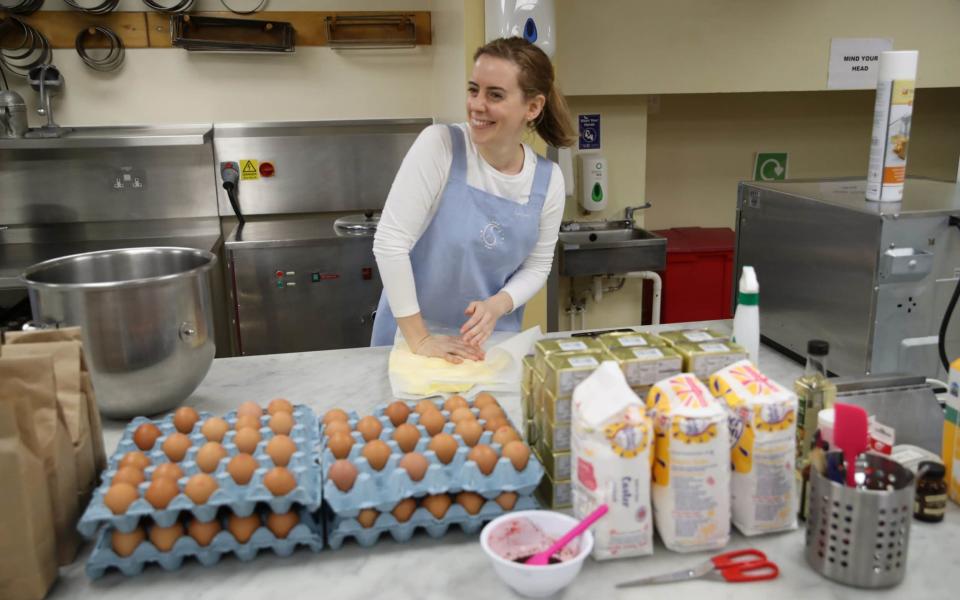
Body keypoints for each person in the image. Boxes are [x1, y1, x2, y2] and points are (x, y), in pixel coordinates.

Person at [371, 37, 575, 363]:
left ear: (533, 107)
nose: (477, 105)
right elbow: (389, 243)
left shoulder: (547, 181)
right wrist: (420, 339)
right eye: (473, 89)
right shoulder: (441, 147)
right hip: (411, 342)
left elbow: (537, 267)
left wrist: (498, 305)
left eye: (495, 94)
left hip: (488, 347)